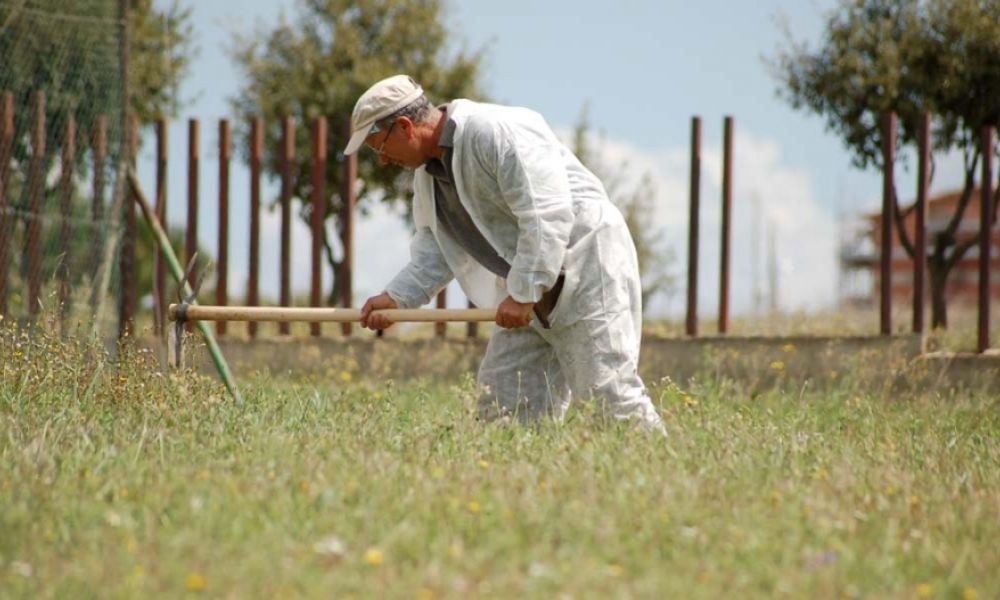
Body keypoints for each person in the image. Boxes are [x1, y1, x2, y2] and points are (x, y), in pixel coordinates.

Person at [345, 74, 665, 434]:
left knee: (610, 395)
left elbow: (547, 212)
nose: (384, 161)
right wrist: (397, 298)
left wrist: (524, 292)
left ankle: (664, 480)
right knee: (504, 408)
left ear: (404, 126)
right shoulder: (428, 177)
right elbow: (437, 250)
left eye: (378, 147)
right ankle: (514, 486)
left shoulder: (493, 132)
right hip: (525, 285)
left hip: (585, 263)